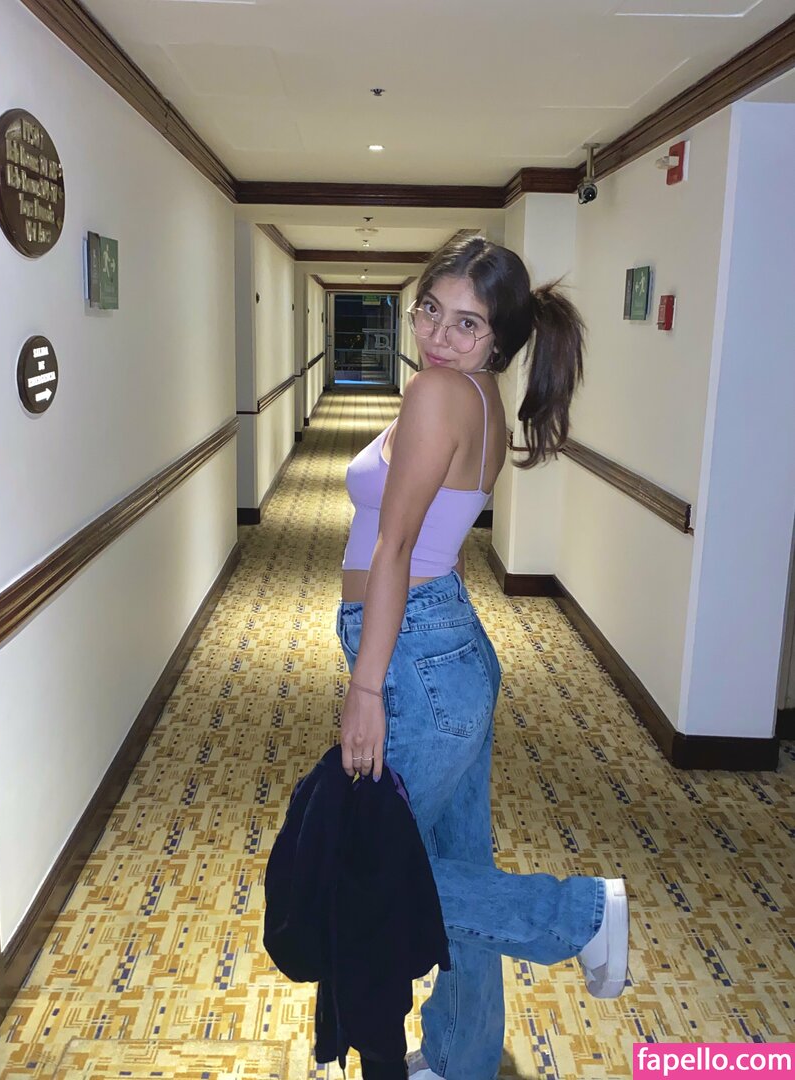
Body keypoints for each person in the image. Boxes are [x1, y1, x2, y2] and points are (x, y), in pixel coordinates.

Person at [335, 236, 629, 1080]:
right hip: (442, 646)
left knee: (364, 864)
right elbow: (436, 533)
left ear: (499, 339)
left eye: (467, 324)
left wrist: (366, 687)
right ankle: (461, 1055)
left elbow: (395, 547)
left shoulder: (438, 392)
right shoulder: (479, 396)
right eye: (431, 310)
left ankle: (579, 914)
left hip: (414, 661)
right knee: (457, 863)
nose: (439, 333)